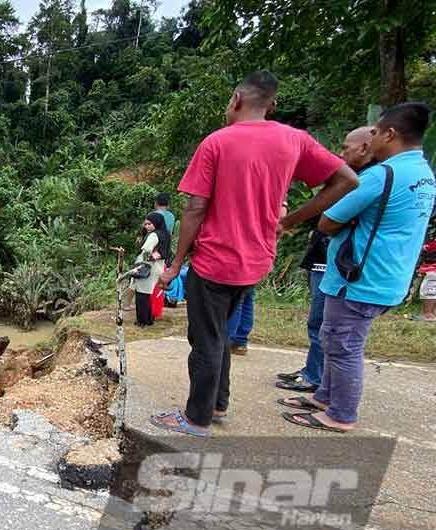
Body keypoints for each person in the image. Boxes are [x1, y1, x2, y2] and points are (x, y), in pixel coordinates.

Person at [150, 70, 358, 437]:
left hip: (216, 260)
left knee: (205, 340)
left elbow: (195, 208)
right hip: (256, 261)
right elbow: (347, 180)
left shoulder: (217, 142)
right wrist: (290, 221)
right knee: (220, 333)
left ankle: (195, 418)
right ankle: (217, 402)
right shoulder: (294, 140)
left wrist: (177, 262)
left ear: (235, 99)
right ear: (272, 104)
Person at [281, 102, 436, 432]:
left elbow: (327, 221)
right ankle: (324, 396)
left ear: (390, 134)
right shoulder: (423, 174)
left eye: (377, 132)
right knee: (333, 337)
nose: (372, 139)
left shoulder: (382, 175)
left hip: (360, 277)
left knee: (343, 345)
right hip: (389, 276)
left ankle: (340, 414)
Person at [277, 126, 376, 391]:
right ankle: (314, 370)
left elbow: (329, 221)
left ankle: (316, 378)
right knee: (322, 324)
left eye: (346, 147)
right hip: (325, 257)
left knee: (325, 326)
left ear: (365, 148)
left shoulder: (364, 182)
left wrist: (287, 221)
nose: (341, 153)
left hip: (334, 263)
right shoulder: (358, 179)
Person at [133, 213, 169, 326]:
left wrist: (145, 254)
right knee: (150, 294)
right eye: (146, 224)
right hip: (159, 266)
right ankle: (150, 318)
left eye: (149, 224)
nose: (146, 226)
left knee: (142, 294)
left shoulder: (153, 235)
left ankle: (142, 321)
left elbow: (146, 248)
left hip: (148, 266)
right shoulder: (166, 234)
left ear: (156, 223)